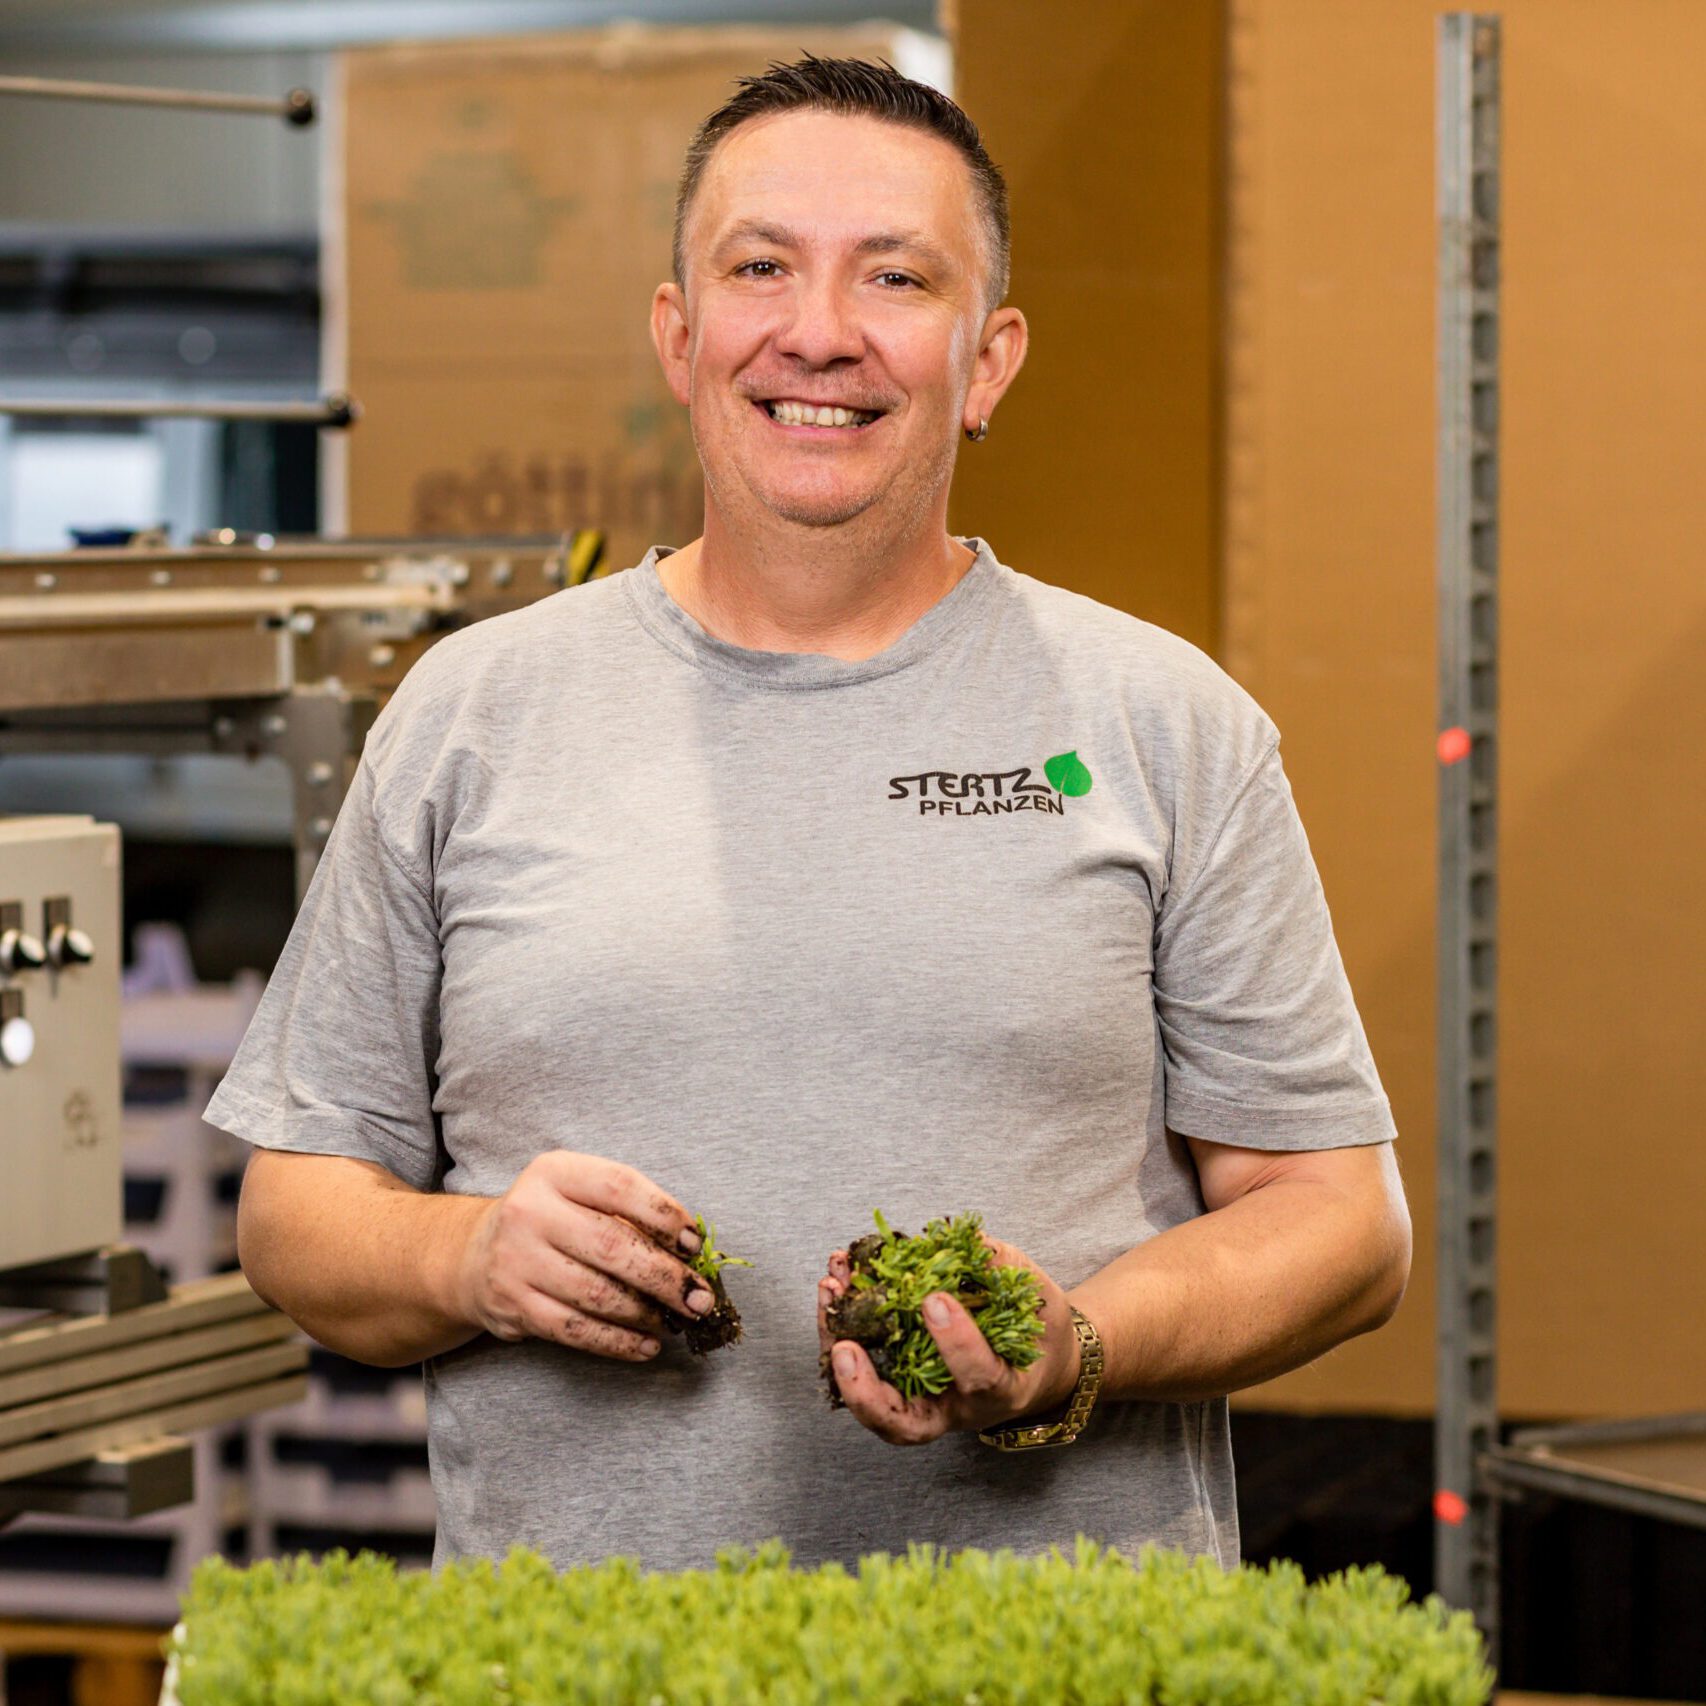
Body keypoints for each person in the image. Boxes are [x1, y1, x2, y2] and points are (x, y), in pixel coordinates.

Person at [212, 55, 1411, 1573]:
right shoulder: (474, 714)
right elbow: (293, 1212)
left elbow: (1340, 1224)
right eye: (760, 266)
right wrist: (476, 1253)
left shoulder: (1157, 722)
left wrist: (1078, 1344)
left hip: (1048, 1667)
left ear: (986, 361)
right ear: (680, 331)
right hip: (598, 1675)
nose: (820, 333)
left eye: (896, 278)